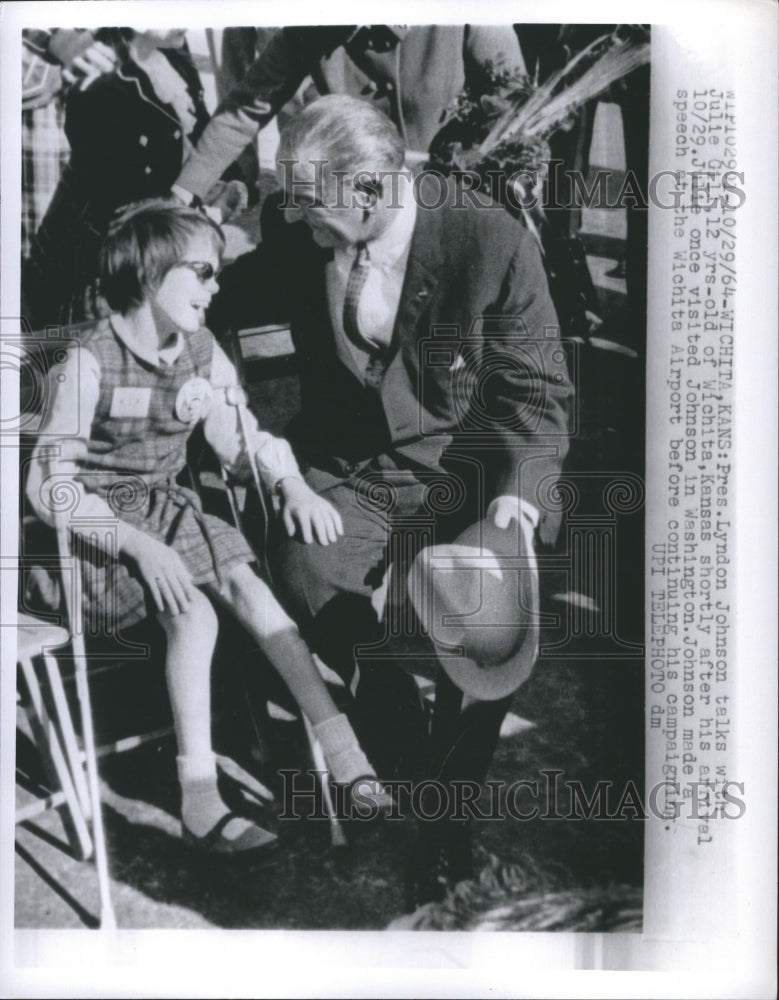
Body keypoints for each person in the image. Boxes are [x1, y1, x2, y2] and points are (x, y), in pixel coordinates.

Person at [210, 96, 573, 899]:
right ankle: (403, 743)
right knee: (304, 571)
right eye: (291, 205)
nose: (299, 226)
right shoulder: (297, 226)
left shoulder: (488, 239)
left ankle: (445, 832)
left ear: (370, 191)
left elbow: (538, 395)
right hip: (354, 466)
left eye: (313, 211)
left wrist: (520, 498)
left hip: (469, 466)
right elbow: (227, 300)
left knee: (487, 633)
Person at [24, 201, 389, 855]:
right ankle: (199, 797)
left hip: (166, 509)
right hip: (91, 538)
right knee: (194, 614)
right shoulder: (89, 360)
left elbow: (237, 434)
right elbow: (47, 487)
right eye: (203, 272)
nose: (216, 287)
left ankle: (346, 755)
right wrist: (134, 543)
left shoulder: (198, 348)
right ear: (148, 271)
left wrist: (291, 483)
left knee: (253, 590)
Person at [22, 28, 242, 329]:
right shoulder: (99, 79)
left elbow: (200, 132)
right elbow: (122, 199)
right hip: (110, 276)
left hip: (164, 248)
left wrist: (219, 184)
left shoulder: (171, 60)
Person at [171, 25, 525, 207]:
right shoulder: (315, 25)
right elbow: (246, 108)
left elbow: (514, 110)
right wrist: (182, 194)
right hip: (351, 203)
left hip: (446, 200)